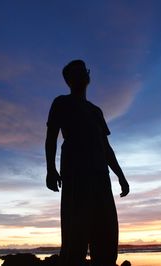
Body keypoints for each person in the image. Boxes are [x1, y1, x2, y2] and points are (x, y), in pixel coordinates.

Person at [45, 59, 129, 266]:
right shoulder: (61, 102)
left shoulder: (95, 111)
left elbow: (106, 147)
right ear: (69, 79)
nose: (83, 74)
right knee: (76, 235)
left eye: (84, 71)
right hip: (75, 175)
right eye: (78, 72)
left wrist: (121, 175)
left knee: (107, 233)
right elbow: (51, 138)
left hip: (101, 178)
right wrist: (50, 169)